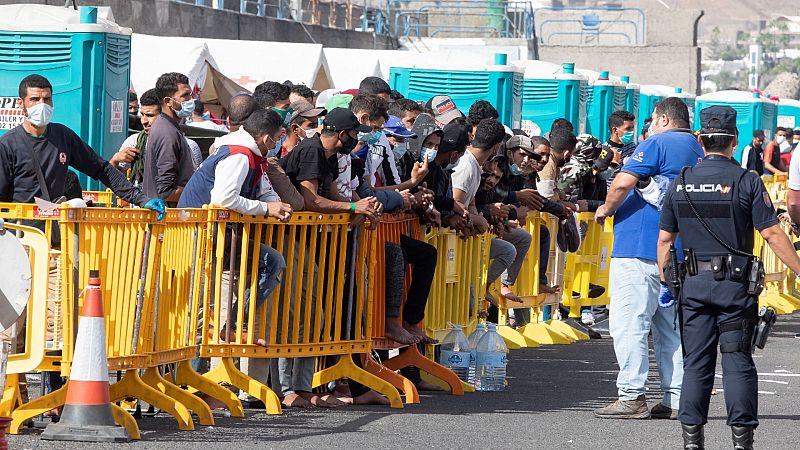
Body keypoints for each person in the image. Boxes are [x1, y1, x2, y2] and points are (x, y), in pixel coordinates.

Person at [657, 105, 800, 450]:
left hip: (692, 285)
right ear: (734, 141)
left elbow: (665, 241)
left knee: (696, 364)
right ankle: (742, 441)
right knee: (737, 360)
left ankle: (692, 440)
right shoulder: (747, 181)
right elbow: (772, 235)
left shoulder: (683, 181)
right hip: (735, 288)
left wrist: (668, 282)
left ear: (700, 139)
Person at [593, 97, 702, 420]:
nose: (649, 125)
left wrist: (606, 208)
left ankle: (631, 394)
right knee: (669, 330)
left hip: (638, 246)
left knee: (629, 323)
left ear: (665, 119)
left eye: (653, 119)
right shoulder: (697, 149)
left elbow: (623, 182)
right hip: (676, 253)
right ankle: (675, 397)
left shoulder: (657, 143)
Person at [280, 107, 386, 406]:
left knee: (320, 311)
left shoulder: (326, 155)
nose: (355, 140)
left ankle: (312, 388)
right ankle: (292, 390)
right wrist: (353, 209)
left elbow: (331, 195)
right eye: (354, 134)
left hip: (310, 241)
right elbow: (310, 200)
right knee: (303, 314)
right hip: (290, 238)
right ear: (342, 134)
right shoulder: (312, 151)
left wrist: (361, 207)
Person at [178, 108, 291, 347]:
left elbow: (263, 188)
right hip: (200, 233)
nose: (280, 140)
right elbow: (224, 199)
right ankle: (232, 326)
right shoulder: (239, 156)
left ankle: (231, 326)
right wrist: (265, 209)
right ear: (266, 139)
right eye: (279, 136)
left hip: (216, 233)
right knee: (272, 263)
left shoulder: (251, 153)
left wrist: (274, 203)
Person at [0, 74, 164, 216]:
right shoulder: (8, 145)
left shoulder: (63, 136)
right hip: (21, 234)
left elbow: (102, 169)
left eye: (46, 99)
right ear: (21, 104)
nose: (42, 105)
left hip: (57, 232)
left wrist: (141, 199)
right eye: (34, 100)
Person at [451, 118, 515, 307]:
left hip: (468, 243)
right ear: (497, 147)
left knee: (507, 250)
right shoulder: (465, 166)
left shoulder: (475, 167)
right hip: (454, 243)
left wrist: (480, 219)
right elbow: (456, 203)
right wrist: (476, 220)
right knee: (465, 303)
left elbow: (470, 204)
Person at [111, 89, 203, 184]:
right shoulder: (133, 142)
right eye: (142, 114)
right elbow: (113, 179)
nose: (144, 121)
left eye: (150, 115)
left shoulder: (189, 146)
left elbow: (196, 185)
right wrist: (115, 160)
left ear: (166, 116)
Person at [143, 72, 197, 205]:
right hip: (166, 221)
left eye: (190, 94)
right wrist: (198, 190)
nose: (190, 100)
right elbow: (166, 192)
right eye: (185, 95)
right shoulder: (167, 133)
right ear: (168, 101)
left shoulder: (169, 127)